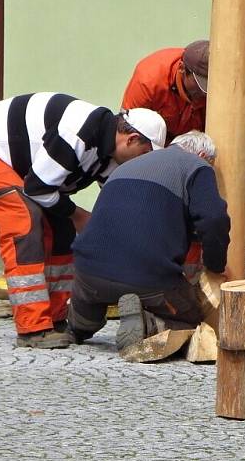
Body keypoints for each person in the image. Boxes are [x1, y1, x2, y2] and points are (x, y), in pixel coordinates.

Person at [0, 93, 166, 348]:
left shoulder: (110, 152)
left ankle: (56, 318)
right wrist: (80, 215)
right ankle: (32, 328)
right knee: (23, 221)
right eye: (145, 154)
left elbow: (119, 202)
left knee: (62, 228)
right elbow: (38, 189)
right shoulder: (77, 133)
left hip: (29, 170)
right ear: (132, 139)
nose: (144, 161)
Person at [69, 130, 230, 351]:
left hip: (88, 273)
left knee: (89, 301)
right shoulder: (197, 166)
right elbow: (214, 219)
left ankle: (78, 327)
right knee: (192, 318)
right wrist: (215, 266)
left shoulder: (125, 167)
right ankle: (150, 325)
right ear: (202, 154)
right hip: (147, 278)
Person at [121, 40, 209, 142]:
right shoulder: (148, 81)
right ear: (182, 68)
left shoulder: (219, 86)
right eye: (200, 83)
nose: (204, 92)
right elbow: (126, 132)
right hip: (152, 144)